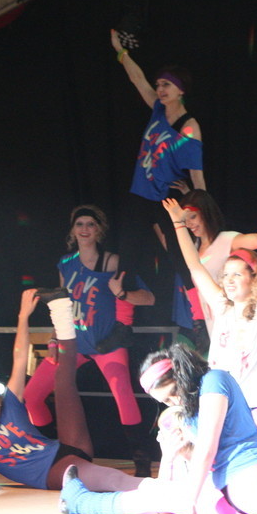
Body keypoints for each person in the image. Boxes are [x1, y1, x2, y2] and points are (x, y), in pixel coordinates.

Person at [59, 344, 257, 514]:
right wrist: (171, 456)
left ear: (181, 374)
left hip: (248, 474)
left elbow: (208, 449)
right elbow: (193, 464)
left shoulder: (213, 380)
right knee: (156, 493)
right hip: (226, 488)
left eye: (173, 394)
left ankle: (78, 501)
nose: (174, 402)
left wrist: (190, 500)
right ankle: (77, 501)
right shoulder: (189, 414)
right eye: (166, 402)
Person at [161, 181, 257, 461]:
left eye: (237, 274)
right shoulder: (222, 308)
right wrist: (178, 225)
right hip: (221, 409)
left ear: (253, 278)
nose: (228, 280)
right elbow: (194, 265)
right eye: (226, 275)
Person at [0, 288, 144, 493]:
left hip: (66, 447)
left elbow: (20, 358)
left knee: (62, 377)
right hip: (50, 472)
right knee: (107, 479)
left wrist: (23, 316)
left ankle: (60, 306)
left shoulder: (11, 406)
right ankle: (159, 489)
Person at [23, 205, 155, 477]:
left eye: (90, 224)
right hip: (72, 342)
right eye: (79, 224)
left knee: (123, 395)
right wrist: (53, 339)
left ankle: (141, 460)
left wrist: (122, 295)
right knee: (32, 396)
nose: (84, 229)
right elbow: (60, 305)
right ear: (72, 230)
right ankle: (51, 452)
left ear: (99, 230)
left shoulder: (112, 262)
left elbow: (149, 298)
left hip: (106, 343)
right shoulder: (66, 263)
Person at [110, 30, 204, 335]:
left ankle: (200, 321)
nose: (159, 89)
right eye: (159, 84)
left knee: (180, 259)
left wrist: (196, 203)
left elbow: (197, 174)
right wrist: (121, 51)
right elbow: (137, 79)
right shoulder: (157, 110)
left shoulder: (189, 126)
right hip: (140, 194)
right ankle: (122, 326)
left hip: (167, 199)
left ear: (180, 90)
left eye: (166, 85)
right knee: (127, 256)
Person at [173, 175, 257, 339]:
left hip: (235, 321)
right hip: (211, 323)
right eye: (185, 220)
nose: (189, 224)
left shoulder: (227, 240)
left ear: (206, 213)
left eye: (193, 217)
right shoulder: (194, 247)